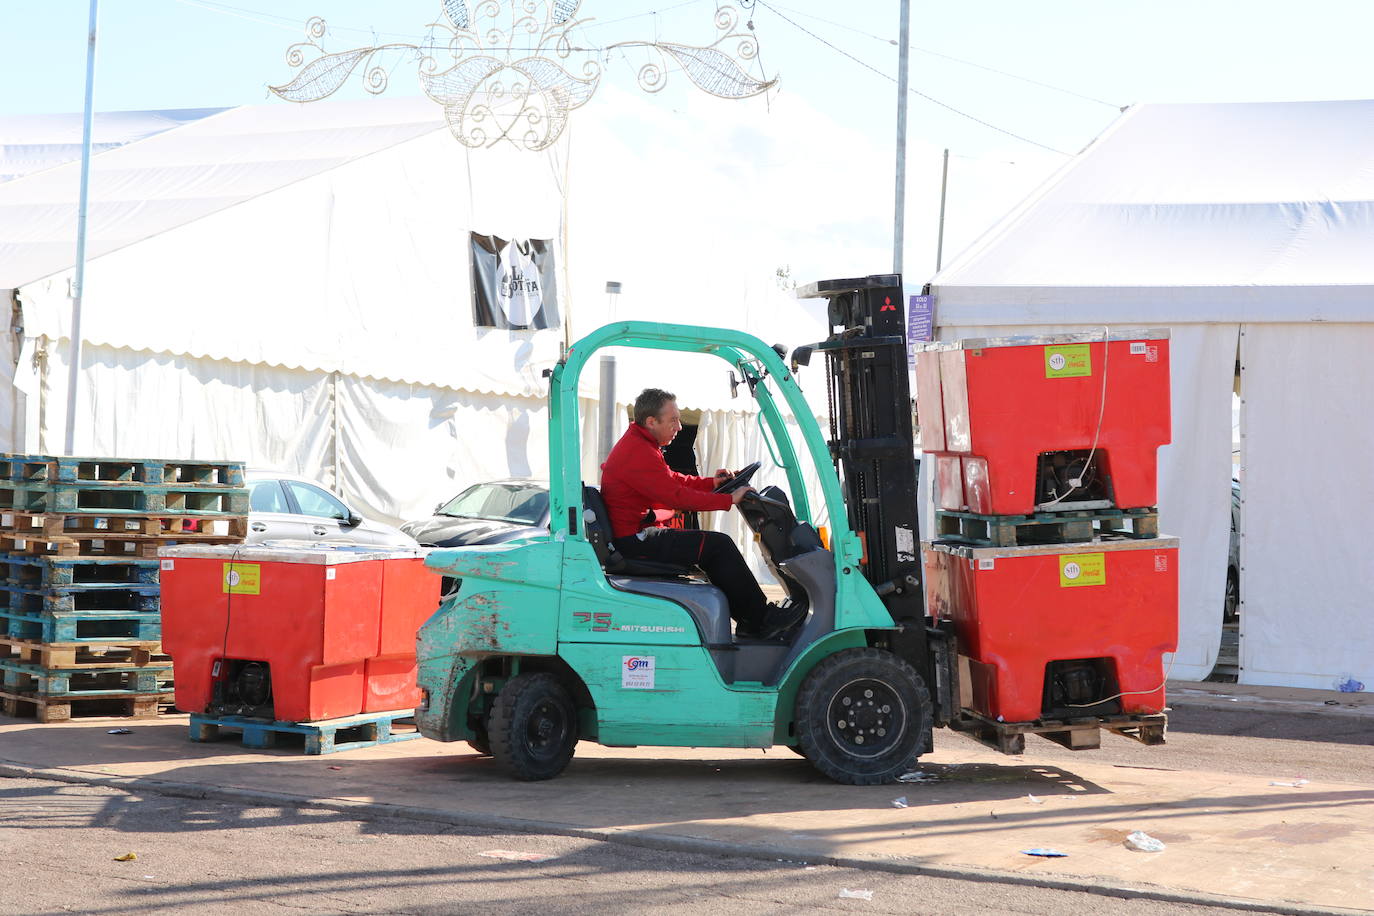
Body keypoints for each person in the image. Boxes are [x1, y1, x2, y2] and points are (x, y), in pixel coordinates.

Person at [600, 388, 805, 640]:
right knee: (718, 545)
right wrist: (728, 499)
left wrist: (712, 484)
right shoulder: (638, 451)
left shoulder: (642, 445)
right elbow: (676, 496)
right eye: (673, 420)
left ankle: (751, 619)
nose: (679, 427)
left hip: (636, 534)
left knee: (713, 546)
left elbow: (673, 480)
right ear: (651, 421)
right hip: (634, 541)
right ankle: (759, 620)